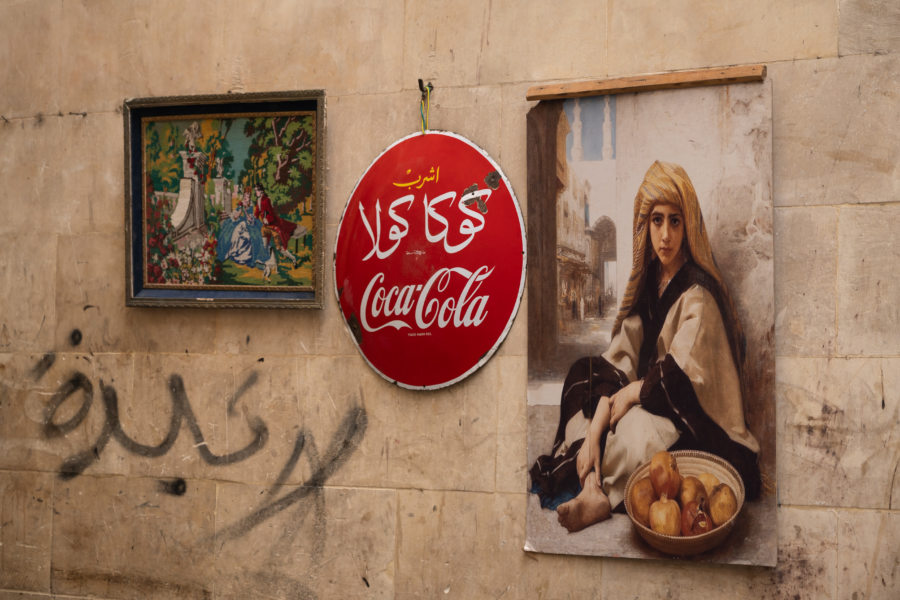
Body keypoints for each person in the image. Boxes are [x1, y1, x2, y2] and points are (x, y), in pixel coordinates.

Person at [529, 161, 761, 533]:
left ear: (688, 226)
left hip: (688, 415)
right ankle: (593, 489)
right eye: (656, 221)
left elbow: (681, 378)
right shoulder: (652, 279)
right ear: (644, 225)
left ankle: (596, 484)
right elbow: (624, 349)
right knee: (584, 376)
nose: (665, 235)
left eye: (674, 221)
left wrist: (634, 392)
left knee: (634, 433)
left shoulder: (698, 292)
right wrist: (607, 405)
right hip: (648, 392)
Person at [253, 184, 308, 267]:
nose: (255, 192)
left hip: (274, 225)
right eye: (255, 191)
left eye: (256, 190)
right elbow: (257, 212)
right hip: (266, 227)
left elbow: (271, 214)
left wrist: (267, 219)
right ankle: (265, 260)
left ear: (261, 191)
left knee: (280, 248)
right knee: (264, 243)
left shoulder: (266, 200)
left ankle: (293, 259)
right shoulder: (259, 200)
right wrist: (253, 217)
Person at [217, 189, 267, 266]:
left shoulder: (252, 207)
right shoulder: (240, 206)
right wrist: (240, 208)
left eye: (247, 197)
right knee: (232, 232)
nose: (245, 198)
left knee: (249, 237)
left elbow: (250, 220)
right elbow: (236, 216)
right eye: (244, 196)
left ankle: (243, 257)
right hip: (240, 224)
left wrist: (245, 210)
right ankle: (232, 252)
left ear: (250, 199)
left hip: (249, 226)